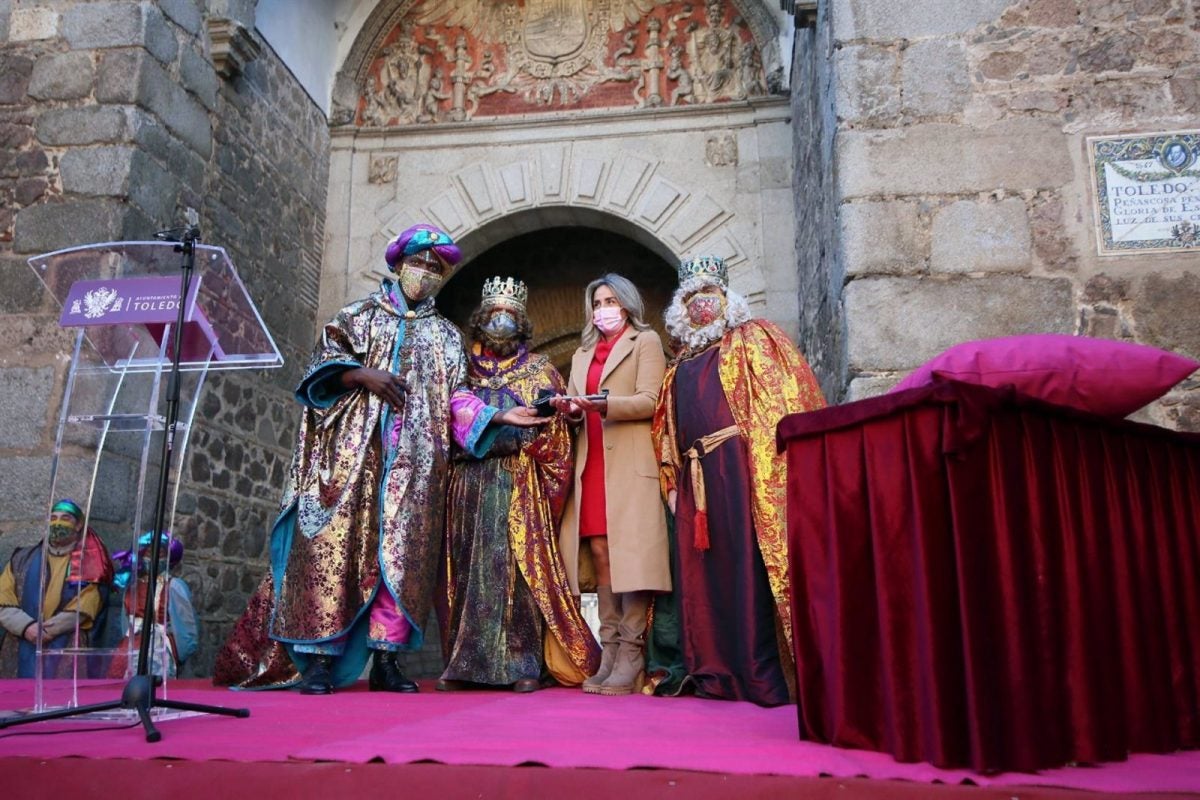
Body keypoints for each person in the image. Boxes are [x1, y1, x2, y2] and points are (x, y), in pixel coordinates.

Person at [214, 224, 546, 695]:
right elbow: (318, 369)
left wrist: (495, 415)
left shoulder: (448, 337)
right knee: (336, 555)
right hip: (351, 464)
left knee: (402, 561)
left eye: (436, 268)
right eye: (419, 263)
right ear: (398, 265)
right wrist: (358, 373)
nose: (426, 274)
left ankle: (388, 662)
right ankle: (320, 662)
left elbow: (457, 399)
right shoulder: (356, 317)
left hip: (415, 469)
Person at [651, 255, 826, 706]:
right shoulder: (679, 366)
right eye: (691, 296)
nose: (700, 305)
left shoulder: (753, 339)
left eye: (708, 294)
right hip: (697, 481)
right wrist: (672, 484)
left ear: (727, 298)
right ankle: (716, 672)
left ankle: (759, 674)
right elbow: (666, 432)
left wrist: (764, 471)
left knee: (747, 569)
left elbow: (783, 399)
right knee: (704, 580)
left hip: (739, 471)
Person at [438, 277, 599, 693]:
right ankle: (463, 665)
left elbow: (558, 433)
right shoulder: (461, 370)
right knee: (467, 570)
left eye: (510, 316)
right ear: (481, 320)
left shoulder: (540, 370)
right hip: (469, 484)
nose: (501, 323)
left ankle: (522, 665)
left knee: (517, 573)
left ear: (522, 324)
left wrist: (546, 424)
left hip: (518, 484)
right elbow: (441, 419)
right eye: (494, 315)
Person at [553, 274, 670, 696]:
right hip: (593, 460)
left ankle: (632, 654)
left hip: (631, 461)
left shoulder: (646, 342)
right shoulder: (583, 353)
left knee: (631, 557)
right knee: (601, 550)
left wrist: (603, 404)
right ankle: (611, 649)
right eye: (598, 301)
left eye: (611, 300)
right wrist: (568, 409)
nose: (604, 307)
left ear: (626, 303)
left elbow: (650, 401)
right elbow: (574, 405)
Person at [0, 499, 113, 678]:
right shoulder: (21, 558)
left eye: (65, 518)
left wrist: (47, 631)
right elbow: (3, 599)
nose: (57, 523)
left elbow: (86, 605)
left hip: (66, 644)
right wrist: (26, 627)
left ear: (79, 525)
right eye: (53, 518)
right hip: (20, 642)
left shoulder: (91, 562)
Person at [108, 532, 199, 679]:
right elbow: (125, 621)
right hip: (130, 644)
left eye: (160, 553)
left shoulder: (173, 586)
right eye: (149, 552)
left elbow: (186, 623)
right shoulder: (132, 587)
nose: (153, 557)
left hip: (158, 647)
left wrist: (181, 652)